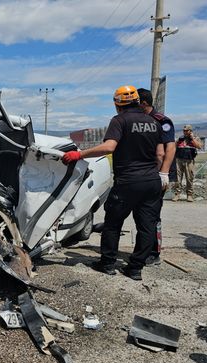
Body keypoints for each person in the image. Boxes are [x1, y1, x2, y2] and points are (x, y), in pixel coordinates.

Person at [61, 85, 168, 281]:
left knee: (113, 224)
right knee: (147, 226)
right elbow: (160, 154)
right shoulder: (154, 122)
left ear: (117, 104)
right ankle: (135, 268)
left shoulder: (119, 120)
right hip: (152, 181)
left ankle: (108, 263)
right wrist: (160, 174)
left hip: (128, 181)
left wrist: (80, 154)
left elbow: (110, 147)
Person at [138, 88, 175, 266]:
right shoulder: (140, 121)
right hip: (143, 173)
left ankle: (154, 252)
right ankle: (143, 250)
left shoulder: (162, 121)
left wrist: (164, 173)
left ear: (143, 103)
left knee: (152, 215)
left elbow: (170, 148)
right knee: (142, 215)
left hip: (157, 173)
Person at [173, 124, 202, 202]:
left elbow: (199, 146)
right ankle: (177, 194)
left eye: (187, 130)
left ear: (190, 131)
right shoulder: (180, 138)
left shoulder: (195, 138)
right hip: (179, 160)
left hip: (189, 161)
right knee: (177, 179)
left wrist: (192, 138)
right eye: (184, 130)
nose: (185, 132)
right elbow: (174, 146)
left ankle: (189, 195)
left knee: (189, 178)